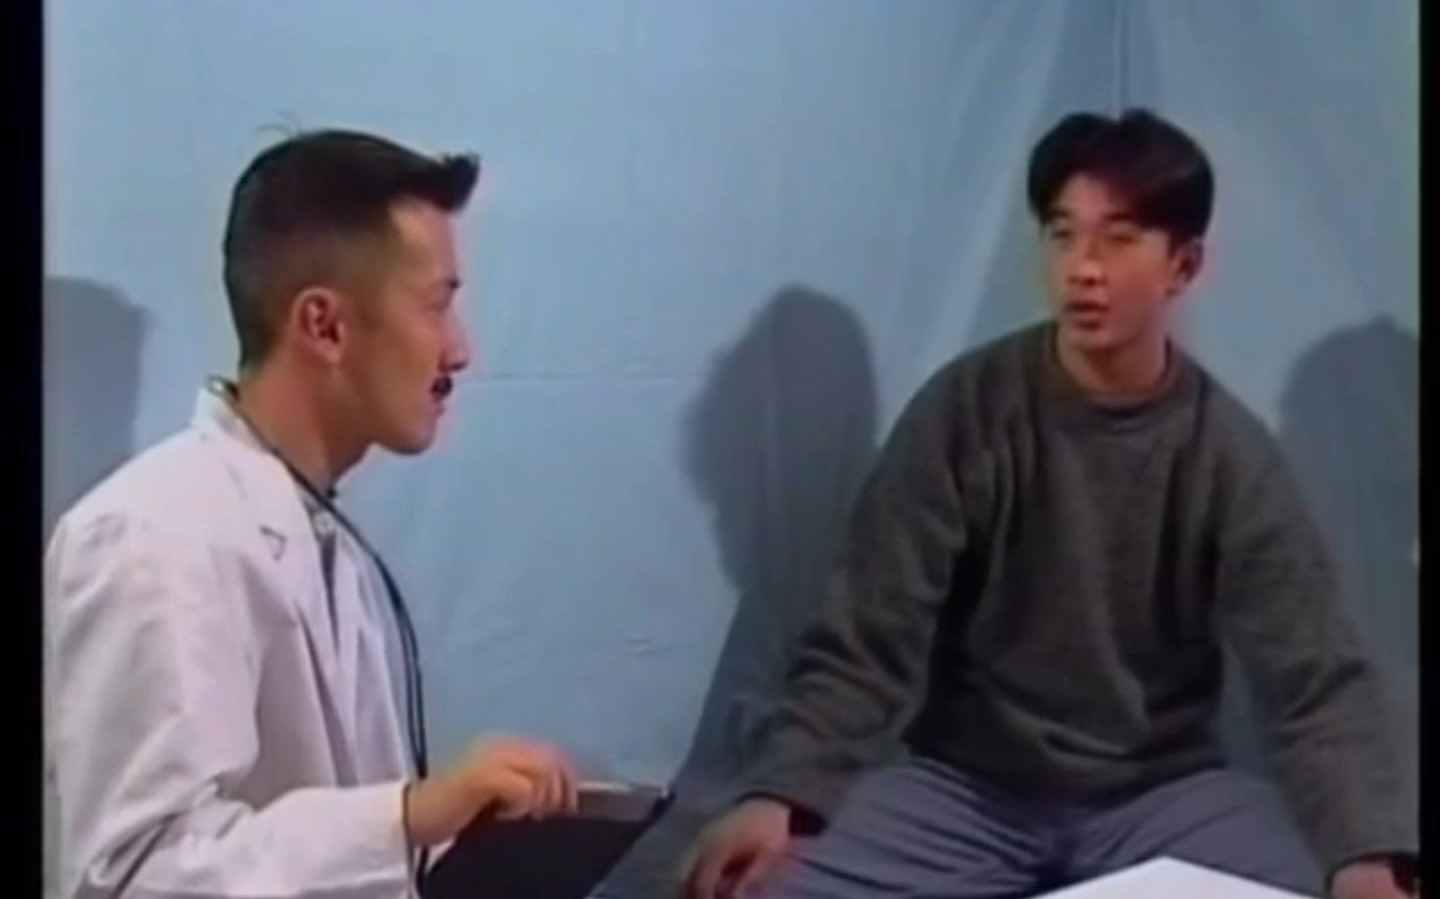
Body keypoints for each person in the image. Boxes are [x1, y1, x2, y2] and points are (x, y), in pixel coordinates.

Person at [680, 110, 1418, 899]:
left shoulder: (1227, 451)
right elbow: (865, 634)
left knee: (1332, 887)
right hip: (966, 791)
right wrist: (783, 791)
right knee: (752, 882)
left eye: (1118, 238)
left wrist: (1366, 852)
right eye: (1063, 235)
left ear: (1184, 264)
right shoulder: (966, 409)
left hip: (1163, 794)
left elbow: (1315, 676)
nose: (1083, 268)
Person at [45, 129, 581, 899]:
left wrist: (465, 832)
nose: (459, 350)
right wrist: (407, 815)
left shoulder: (330, 544)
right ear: (324, 326)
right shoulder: (149, 536)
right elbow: (133, 878)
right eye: (437, 306)